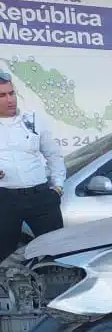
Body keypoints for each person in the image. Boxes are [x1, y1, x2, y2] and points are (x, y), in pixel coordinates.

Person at [0, 72, 65, 262]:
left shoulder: (33, 121)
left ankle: (57, 289)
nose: (10, 100)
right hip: (4, 200)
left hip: (41, 197)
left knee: (56, 251)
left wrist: (58, 188)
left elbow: (53, 155)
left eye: (11, 93)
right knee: (4, 255)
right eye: (2, 96)